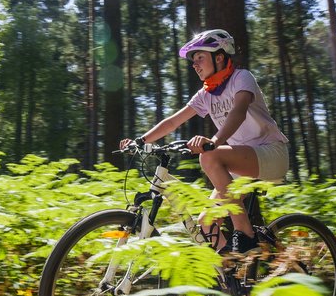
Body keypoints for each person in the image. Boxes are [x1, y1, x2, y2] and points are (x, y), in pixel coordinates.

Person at [120, 29, 289, 254]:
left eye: (200, 57)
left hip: (270, 154)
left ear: (219, 57)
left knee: (209, 156)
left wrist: (215, 141)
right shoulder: (206, 94)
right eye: (193, 61)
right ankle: (233, 279)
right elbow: (172, 122)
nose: (195, 64)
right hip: (241, 166)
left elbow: (238, 111)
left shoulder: (241, 77)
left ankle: (244, 233)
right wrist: (141, 140)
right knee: (207, 223)